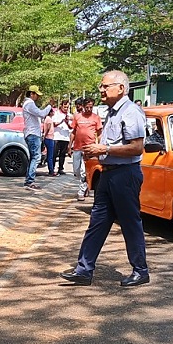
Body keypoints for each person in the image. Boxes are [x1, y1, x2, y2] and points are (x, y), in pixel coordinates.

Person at [61, 70, 149, 288]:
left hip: (125, 175)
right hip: (108, 174)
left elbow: (137, 147)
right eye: (101, 86)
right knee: (97, 222)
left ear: (120, 88)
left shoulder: (131, 112)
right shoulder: (111, 112)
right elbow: (111, 147)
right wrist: (98, 152)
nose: (101, 89)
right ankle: (84, 270)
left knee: (130, 223)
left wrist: (105, 148)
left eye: (105, 86)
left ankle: (141, 270)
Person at [21, 85, 55, 190]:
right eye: (36, 95)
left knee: (33, 157)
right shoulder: (29, 104)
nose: (38, 97)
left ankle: (29, 179)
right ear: (31, 94)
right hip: (33, 134)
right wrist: (49, 106)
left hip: (32, 133)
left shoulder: (28, 104)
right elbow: (42, 114)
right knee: (36, 157)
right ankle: (30, 180)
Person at [69, 97, 102, 201]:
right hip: (77, 147)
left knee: (84, 171)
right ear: (83, 107)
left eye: (91, 107)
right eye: (87, 107)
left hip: (89, 148)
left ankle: (81, 191)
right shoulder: (77, 117)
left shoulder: (96, 118)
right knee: (77, 171)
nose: (89, 109)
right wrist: (69, 145)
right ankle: (86, 184)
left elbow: (99, 133)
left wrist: (100, 147)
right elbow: (73, 132)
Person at [52, 99, 72, 175]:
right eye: (65, 107)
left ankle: (61, 168)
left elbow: (71, 127)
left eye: (67, 107)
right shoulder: (56, 114)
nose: (66, 109)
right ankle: (52, 168)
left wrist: (67, 122)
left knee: (62, 154)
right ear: (61, 106)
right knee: (55, 153)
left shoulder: (69, 115)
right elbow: (54, 124)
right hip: (57, 137)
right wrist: (61, 121)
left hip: (65, 137)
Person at [42, 109, 56, 176]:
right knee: (50, 156)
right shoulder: (49, 119)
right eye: (52, 111)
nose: (53, 113)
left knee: (49, 155)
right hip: (49, 138)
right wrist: (45, 135)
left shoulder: (47, 119)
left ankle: (51, 170)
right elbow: (48, 128)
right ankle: (51, 171)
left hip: (48, 138)